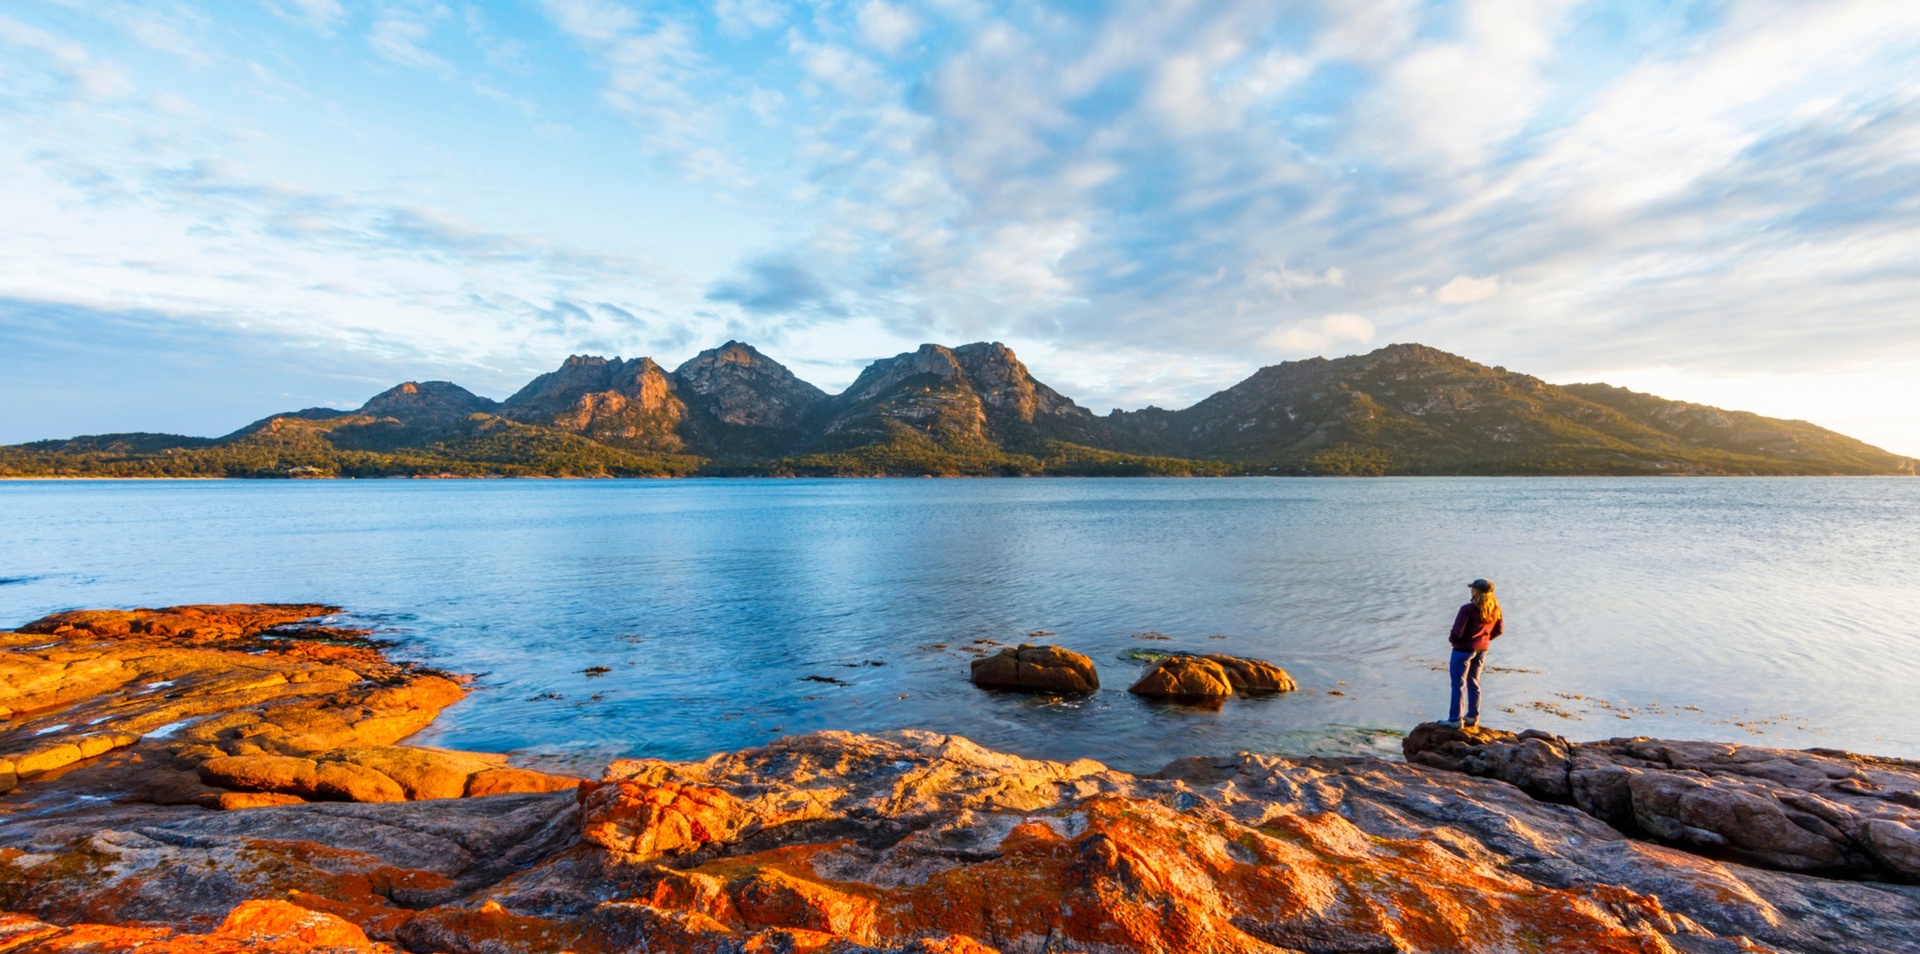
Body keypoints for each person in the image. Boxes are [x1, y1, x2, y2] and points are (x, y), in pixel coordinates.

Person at [1442, 578, 1503, 728]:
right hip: (1482, 650)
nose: (1471, 590)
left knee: (1458, 684)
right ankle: (1473, 717)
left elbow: (1457, 632)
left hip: (1463, 650)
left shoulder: (1467, 609)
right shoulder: (1495, 609)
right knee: (1474, 682)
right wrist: (1484, 639)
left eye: (1472, 588)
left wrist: (1453, 641)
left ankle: (1455, 719)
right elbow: (1499, 630)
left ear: (1477, 592)